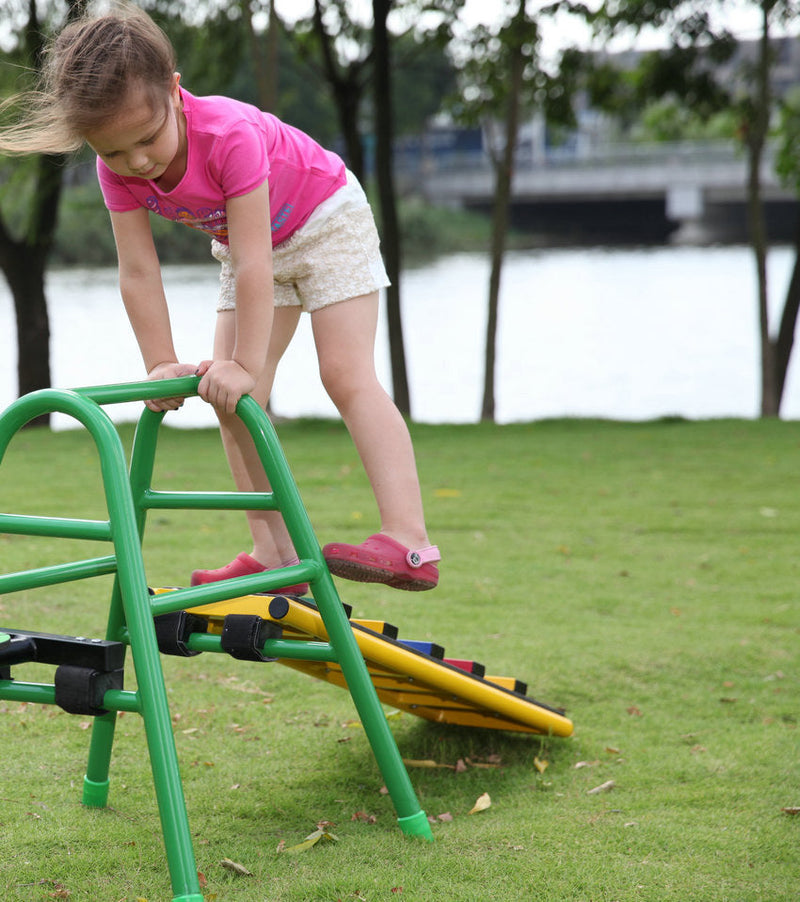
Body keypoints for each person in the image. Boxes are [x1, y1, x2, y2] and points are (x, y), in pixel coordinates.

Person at [0, 4, 439, 593]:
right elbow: (137, 269)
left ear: (175, 91)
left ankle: (410, 542)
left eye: (147, 139)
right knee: (231, 400)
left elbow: (256, 259)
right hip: (249, 247)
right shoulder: (119, 173)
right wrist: (161, 359)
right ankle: (276, 554)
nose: (138, 163)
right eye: (114, 152)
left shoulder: (228, 135)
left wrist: (245, 364)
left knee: (343, 372)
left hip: (327, 219)